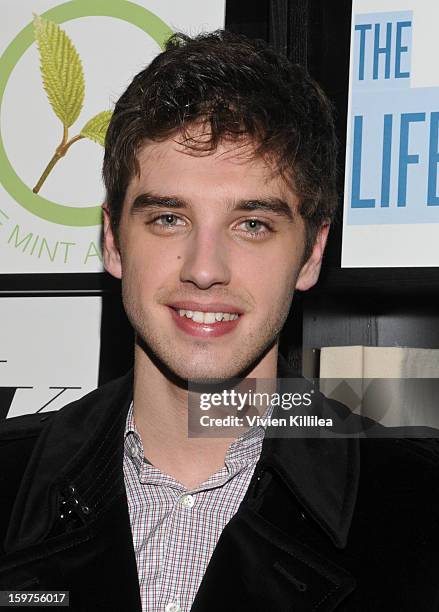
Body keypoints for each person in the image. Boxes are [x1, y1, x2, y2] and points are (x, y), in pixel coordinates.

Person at [1, 30, 439, 612]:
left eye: (252, 224)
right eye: (167, 219)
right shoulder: (8, 485)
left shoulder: (421, 510)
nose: (205, 270)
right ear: (112, 241)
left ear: (310, 254)